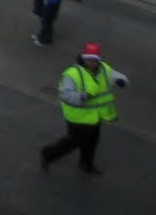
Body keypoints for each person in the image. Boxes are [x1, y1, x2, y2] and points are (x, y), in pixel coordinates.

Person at [40, 42, 129, 174]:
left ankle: (86, 164)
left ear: (99, 60)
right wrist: (83, 97)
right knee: (73, 142)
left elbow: (118, 77)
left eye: (95, 60)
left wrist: (121, 81)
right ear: (84, 58)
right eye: (89, 59)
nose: (92, 63)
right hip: (78, 118)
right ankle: (47, 154)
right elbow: (65, 94)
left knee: (92, 142)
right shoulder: (72, 74)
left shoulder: (103, 68)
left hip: (95, 116)